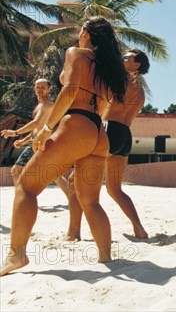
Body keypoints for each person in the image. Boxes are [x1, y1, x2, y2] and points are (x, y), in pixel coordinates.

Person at [1, 16, 128, 276]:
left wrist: (48, 128)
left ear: (85, 33)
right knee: (91, 201)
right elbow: (103, 108)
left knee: (26, 185)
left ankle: (17, 255)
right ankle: (106, 256)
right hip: (98, 133)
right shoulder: (108, 70)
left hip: (76, 124)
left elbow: (69, 92)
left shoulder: (76, 53)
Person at [66, 49, 150, 240]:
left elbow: (100, 101)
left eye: (126, 58)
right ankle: (139, 228)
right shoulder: (140, 91)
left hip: (109, 130)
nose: (122, 59)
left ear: (136, 65)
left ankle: (73, 232)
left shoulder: (119, 81)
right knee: (115, 189)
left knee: (74, 181)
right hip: (125, 137)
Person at [1, 79, 68, 195]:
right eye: (38, 87)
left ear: (49, 89)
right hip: (38, 140)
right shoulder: (40, 105)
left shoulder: (46, 105)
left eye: (43, 87)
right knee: (53, 173)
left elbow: (36, 123)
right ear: (34, 88)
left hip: (40, 141)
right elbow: (38, 129)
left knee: (16, 170)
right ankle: (72, 196)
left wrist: (15, 132)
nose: (40, 90)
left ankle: (21, 198)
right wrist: (24, 140)